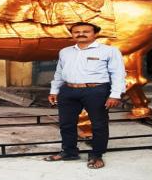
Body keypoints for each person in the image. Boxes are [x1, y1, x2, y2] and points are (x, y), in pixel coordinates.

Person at [45, 22, 125, 169]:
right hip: (68, 90)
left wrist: (115, 95)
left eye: (86, 31)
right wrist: (54, 90)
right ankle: (69, 152)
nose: (81, 34)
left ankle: (97, 154)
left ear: (95, 33)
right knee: (66, 124)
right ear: (72, 34)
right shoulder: (65, 52)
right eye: (76, 32)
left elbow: (118, 74)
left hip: (96, 91)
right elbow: (59, 73)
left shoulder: (109, 51)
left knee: (99, 124)